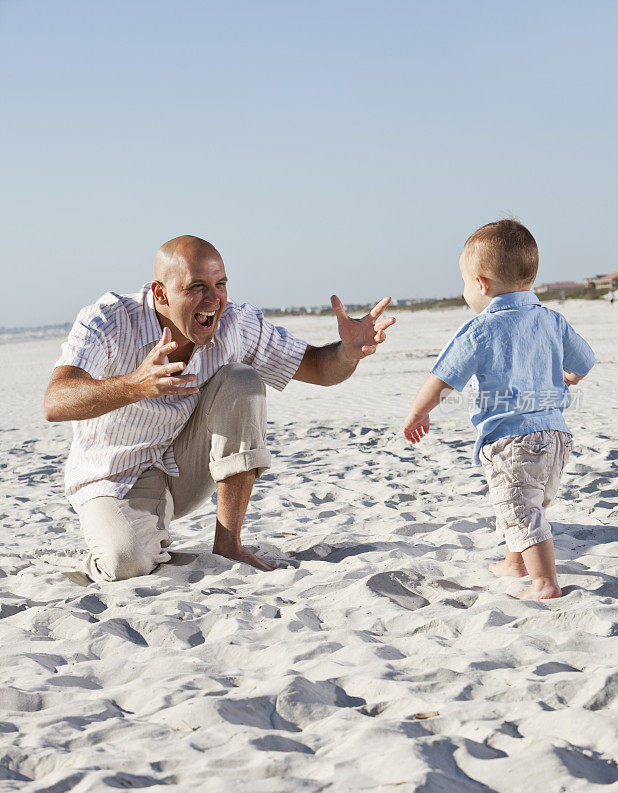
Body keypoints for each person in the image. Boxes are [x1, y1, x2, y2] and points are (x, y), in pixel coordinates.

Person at [45, 235, 395, 581]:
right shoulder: (109, 319)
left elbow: (319, 366)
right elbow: (56, 401)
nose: (214, 299)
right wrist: (135, 385)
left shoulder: (236, 325)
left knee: (242, 380)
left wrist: (348, 352)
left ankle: (228, 545)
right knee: (126, 562)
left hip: (184, 468)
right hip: (114, 474)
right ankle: (128, 534)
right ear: (160, 293)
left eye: (220, 284)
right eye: (197, 287)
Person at [403, 220, 595, 600]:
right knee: (528, 502)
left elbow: (442, 378)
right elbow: (585, 360)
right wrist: (569, 376)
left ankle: (544, 582)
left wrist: (418, 412)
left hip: (512, 440)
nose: (463, 292)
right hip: (557, 436)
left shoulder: (480, 328)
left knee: (520, 508)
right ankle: (514, 563)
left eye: (464, 282)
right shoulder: (552, 319)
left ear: (482, 284)